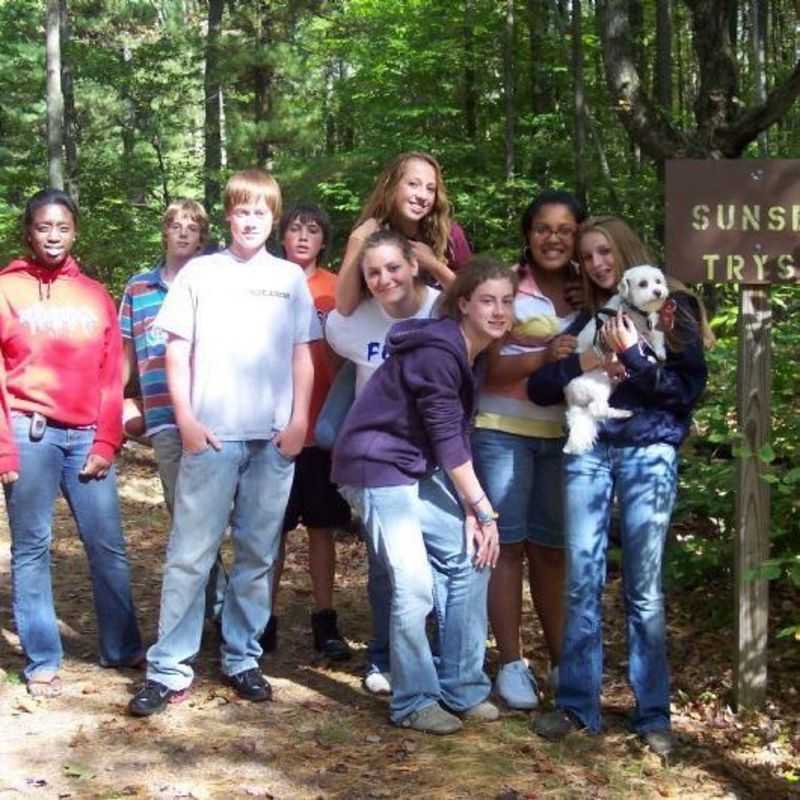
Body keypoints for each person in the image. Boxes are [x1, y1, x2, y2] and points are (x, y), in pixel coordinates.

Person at [128, 169, 318, 716]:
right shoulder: (199, 275)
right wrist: (185, 418)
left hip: (272, 440)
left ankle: (242, 657)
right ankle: (168, 668)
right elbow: (175, 352)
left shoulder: (289, 279)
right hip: (210, 438)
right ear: (229, 215)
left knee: (259, 553)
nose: (251, 219)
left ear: (272, 218)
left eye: (261, 211)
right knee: (191, 554)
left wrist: (299, 421)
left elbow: (303, 353)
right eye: (242, 210)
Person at [530, 216, 714, 756]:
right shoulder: (593, 316)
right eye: (587, 258)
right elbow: (544, 388)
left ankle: (652, 714)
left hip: (648, 452)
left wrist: (632, 357)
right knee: (581, 577)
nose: (597, 264)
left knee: (644, 587)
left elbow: (684, 391)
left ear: (629, 254)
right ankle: (576, 705)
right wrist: (580, 356)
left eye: (605, 252)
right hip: (591, 449)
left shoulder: (674, 309)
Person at [332, 256, 517, 734]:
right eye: (487, 301)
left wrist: (473, 516)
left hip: (415, 467)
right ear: (462, 305)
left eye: (506, 301)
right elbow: (446, 437)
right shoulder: (439, 352)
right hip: (375, 465)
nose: (498, 310)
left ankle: (462, 685)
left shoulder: (469, 354)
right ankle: (414, 700)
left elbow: (455, 435)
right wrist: (482, 508)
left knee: (470, 556)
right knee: (413, 583)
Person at [0, 188, 142, 697]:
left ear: (74, 231)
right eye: (43, 227)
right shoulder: (7, 289)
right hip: (29, 430)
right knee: (33, 547)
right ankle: (42, 657)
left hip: (86, 436)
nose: (53, 235)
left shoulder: (95, 295)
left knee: (107, 545)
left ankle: (122, 646)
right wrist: (4, 449)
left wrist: (107, 440)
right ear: (29, 232)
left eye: (62, 226)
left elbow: (110, 377)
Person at [471, 190, 585, 710]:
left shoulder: (591, 292)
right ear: (528, 234)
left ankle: (565, 664)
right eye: (543, 228)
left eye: (565, 229)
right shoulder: (509, 289)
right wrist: (544, 355)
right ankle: (512, 663)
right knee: (507, 546)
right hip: (502, 431)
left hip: (566, 436)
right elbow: (487, 367)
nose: (554, 238)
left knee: (552, 550)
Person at [325, 228, 441, 694]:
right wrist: (354, 246)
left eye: (394, 267)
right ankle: (383, 656)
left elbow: (488, 307)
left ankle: (434, 659)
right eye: (373, 272)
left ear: (413, 265)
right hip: (381, 458)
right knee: (387, 564)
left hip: (436, 453)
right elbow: (338, 315)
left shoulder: (442, 309)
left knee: (435, 563)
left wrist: (435, 264)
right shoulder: (352, 324)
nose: (384, 279)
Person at [118, 199, 228, 627]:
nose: (183, 233)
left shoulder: (215, 284)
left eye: (192, 227)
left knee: (211, 518)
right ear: (165, 232)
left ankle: (217, 610)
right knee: (184, 517)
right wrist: (116, 404)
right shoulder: (139, 289)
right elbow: (125, 355)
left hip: (213, 414)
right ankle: (209, 608)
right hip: (164, 416)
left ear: (202, 237)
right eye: (176, 226)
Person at [266, 203, 352, 659]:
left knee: (322, 529)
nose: (302, 236)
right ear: (282, 236)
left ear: (324, 241)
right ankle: (263, 621)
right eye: (295, 228)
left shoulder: (338, 289)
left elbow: (349, 359)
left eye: (313, 230)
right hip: (273, 429)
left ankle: (325, 621)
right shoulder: (267, 282)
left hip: (323, 429)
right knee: (270, 532)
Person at [334, 151, 471, 316]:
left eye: (430, 189)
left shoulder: (449, 234)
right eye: (413, 184)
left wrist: (434, 265)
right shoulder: (371, 234)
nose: (422, 196)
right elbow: (344, 307)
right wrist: (356, 240)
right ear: (391, 186)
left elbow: (474, 299)